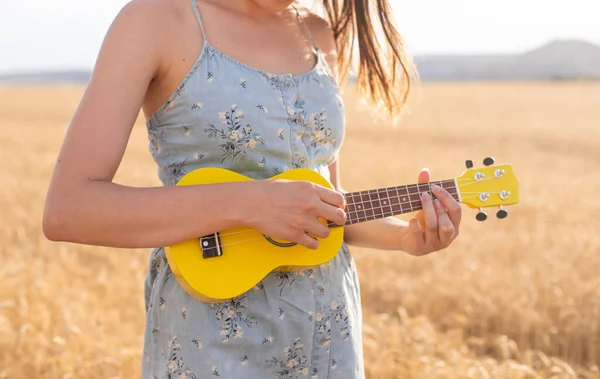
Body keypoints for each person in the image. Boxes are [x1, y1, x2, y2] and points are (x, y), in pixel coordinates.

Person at [42, 0, 462, 377]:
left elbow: (323, 202)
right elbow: (70, 208)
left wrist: (405, 236)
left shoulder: (317, 32)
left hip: (328, 334)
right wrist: (250, 203)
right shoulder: (156, 20)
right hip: (213, 340)